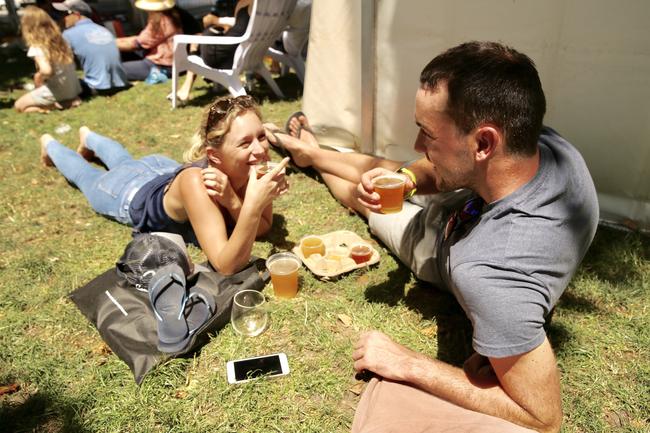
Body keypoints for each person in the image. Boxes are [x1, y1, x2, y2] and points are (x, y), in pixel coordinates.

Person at [266, 41, 599, 432]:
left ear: (484, 143)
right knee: (387, 176)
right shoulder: (540, 143)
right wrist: (407, 180)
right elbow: (425, 165)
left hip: (441, 244)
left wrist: (405, 363)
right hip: (473, 198)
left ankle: (314, 161)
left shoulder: (490, 271)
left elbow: (542, 417)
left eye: (428, 134)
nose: (418, 146)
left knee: (367, 205)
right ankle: (316, 155)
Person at [39, 95, 289, 275]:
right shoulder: (197, 182)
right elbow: (226, 265)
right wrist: (253, 203)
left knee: (125, 160)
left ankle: (89, 137)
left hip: (162, 168)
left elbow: (264, 228)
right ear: (214, 157)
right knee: (86, 176)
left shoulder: (252, 167)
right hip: (128, 191)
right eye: (245, 143)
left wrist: (234, 202)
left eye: (261, 136)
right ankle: (50, 143)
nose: (260, 150)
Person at [174, 0, 252, 103]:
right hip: (246, 52)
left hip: (222, 56)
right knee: (206, 34)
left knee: (197, 41)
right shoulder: (264, 7)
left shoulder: (246, 3)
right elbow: (240, 26)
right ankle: (187, 87)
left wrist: (217, 21)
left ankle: (186, 88)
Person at [53, 0, 129, 96]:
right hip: (121, 83)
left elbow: (58, 64)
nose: (62, 18)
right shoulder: (103, 29)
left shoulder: (69, 34)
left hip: (96, 87)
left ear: (77, 15)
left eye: (64, 14)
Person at [14, 6, 82, 113]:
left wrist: (38, 76)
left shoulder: (38, 46)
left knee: (19, 105)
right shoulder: (61, 40)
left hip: (58, 90)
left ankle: (54, 106)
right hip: (74, 88)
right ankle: (69, 101)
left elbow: (46, 70)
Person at [116, 0, 183, 82]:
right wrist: (118, 41)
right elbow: (142, 38)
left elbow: (137, 44)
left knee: (116, 69)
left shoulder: (159, 21)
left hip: (162, 64)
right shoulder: (171, 16)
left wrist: (111, 44)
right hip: (173, 62)